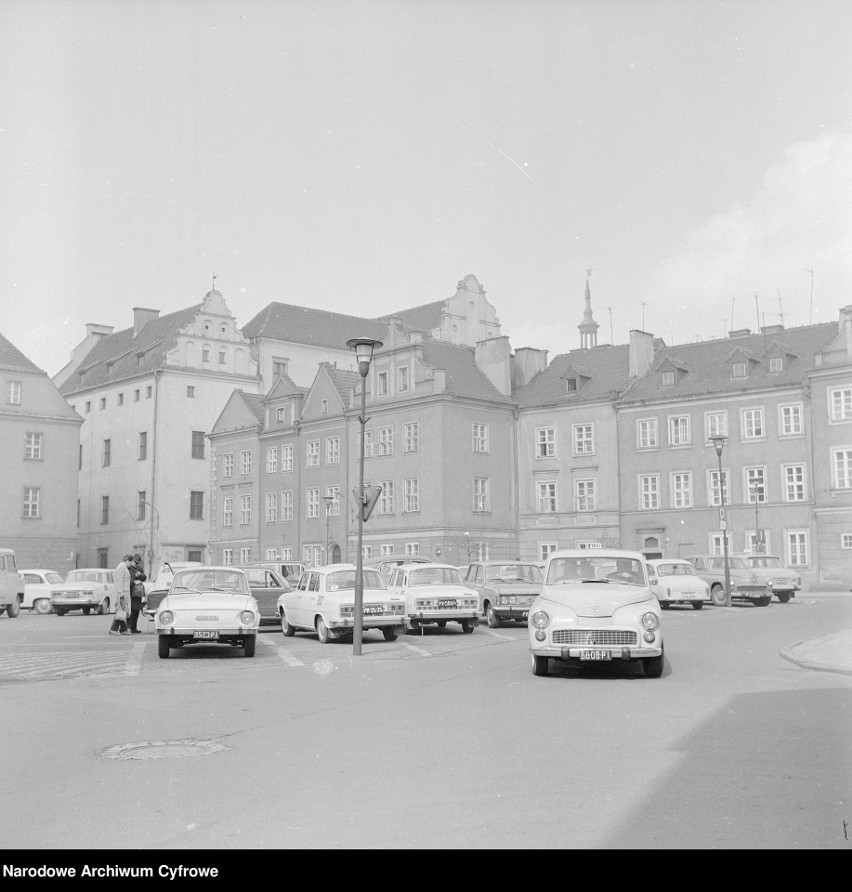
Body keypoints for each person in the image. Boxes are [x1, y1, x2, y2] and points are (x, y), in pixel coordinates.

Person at [109, 555, 133, 636]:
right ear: (127, 560)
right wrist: (121, 592)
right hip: (122, 592)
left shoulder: (123, 567)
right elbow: (119, 580)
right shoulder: (122, 567)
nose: (131, 564)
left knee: (123, 610)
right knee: (121, 610)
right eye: (131, 562)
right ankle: (113, 628)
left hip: (124, 591)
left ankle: (123, 629)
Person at [127, 554, 147, 634]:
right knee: (131, 611)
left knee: (136, 611)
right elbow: (127, 580)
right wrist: (134, 580)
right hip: (131, 592)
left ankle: (134, 627)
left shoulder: (139, 568)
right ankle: (129, 627)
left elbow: (144, 577)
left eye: (138, 563)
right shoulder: (128, 569)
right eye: (135, 562)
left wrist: (140, 575)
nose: (137, 564)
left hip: (138, 593)